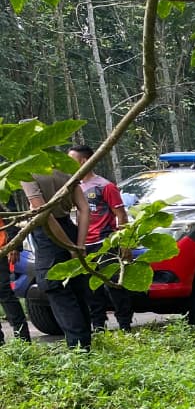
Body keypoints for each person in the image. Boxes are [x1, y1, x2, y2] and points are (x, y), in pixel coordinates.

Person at [20, 172, 92, 349]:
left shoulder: (27, 172)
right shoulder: (65, 169)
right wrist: (79, 244)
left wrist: (68, 247)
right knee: (76, 288)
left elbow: (45, 214)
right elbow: (85, 208)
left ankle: (79, 348)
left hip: (49, 234)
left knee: (56, 288)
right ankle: (85, 343)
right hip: (70, 228)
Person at [68, 145, 134, 333]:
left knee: (114, 286)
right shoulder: (72, 186)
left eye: (71, 160)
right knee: (90, 289)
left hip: (105, 243)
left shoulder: (104, 186)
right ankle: (98, 326)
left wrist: (124, 244)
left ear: (84, 161)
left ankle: (125, 325)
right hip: (82, 245)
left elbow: (121, 215)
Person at [0, 192, 32, 344]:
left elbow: (12, 217)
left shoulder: (2, 185)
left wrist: (14, 245)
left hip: (1, 250)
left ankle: (23, 341)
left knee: (5, 294)